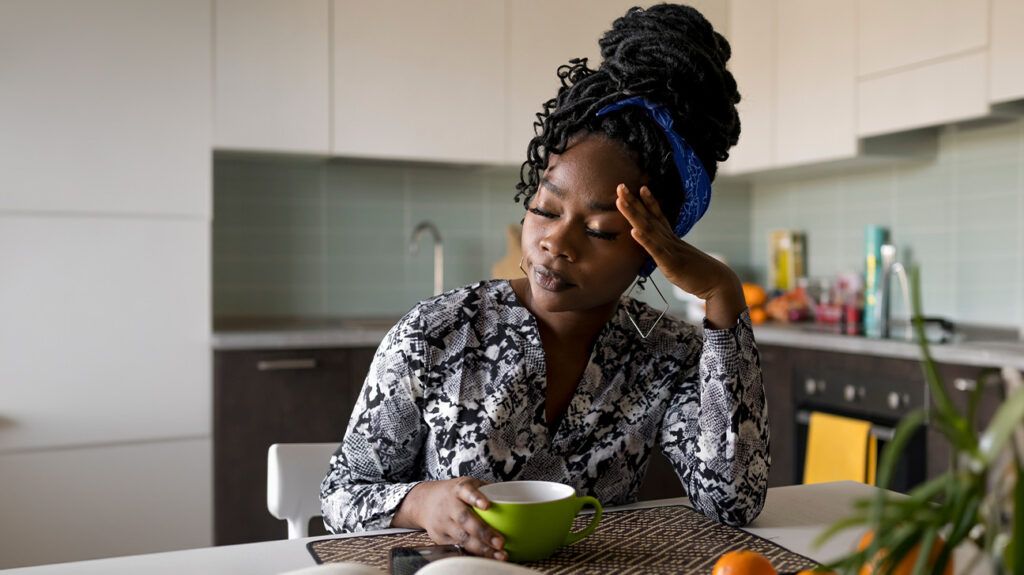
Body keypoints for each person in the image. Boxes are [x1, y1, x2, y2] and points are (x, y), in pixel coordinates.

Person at [320, 3, 769, 562]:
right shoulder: (437, 333)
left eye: (602, 231)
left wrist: (722, 294)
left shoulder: (667, 353)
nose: (557, 242)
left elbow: (732, 502)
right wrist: (421, 503)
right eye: (545, 208)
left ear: (651, 251)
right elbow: (342, 494)